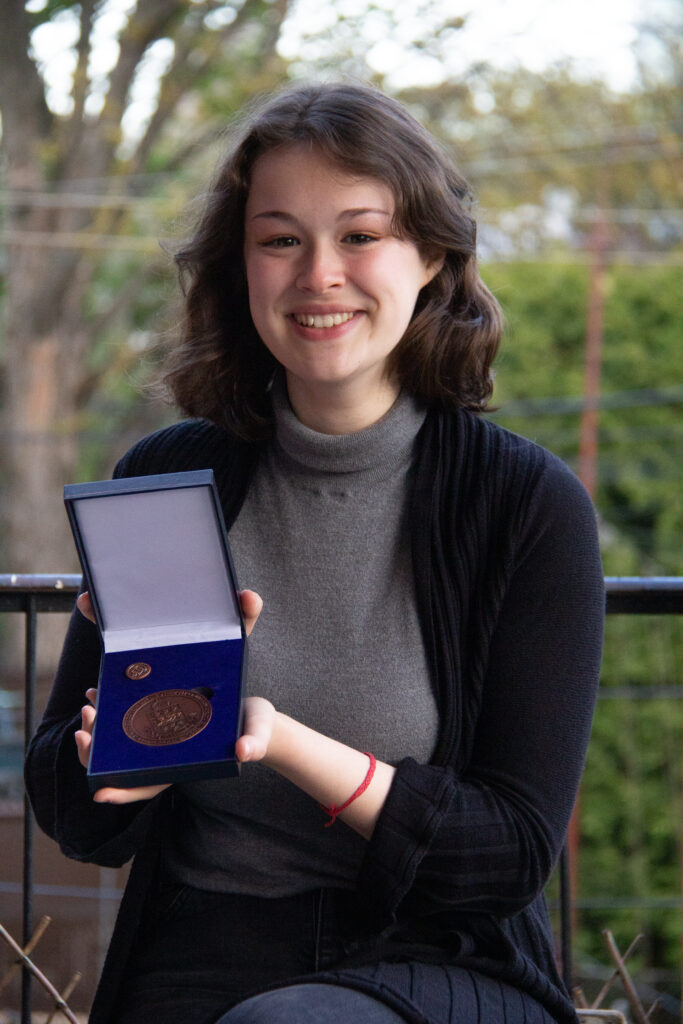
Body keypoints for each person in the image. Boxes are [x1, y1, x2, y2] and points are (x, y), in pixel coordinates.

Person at [26, 82, 604, 1024]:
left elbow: (505, 853)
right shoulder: (168, 477)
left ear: (431, 257)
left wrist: (279, 741)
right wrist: (136, 743)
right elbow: (78, 820)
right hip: (201, 946)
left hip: (437, 955)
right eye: (280, 240)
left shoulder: (523, 504)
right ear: (241, 265)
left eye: (360, 235)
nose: (319, 274)